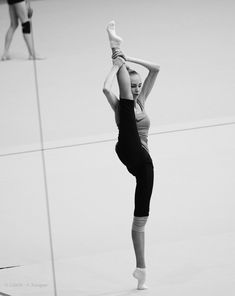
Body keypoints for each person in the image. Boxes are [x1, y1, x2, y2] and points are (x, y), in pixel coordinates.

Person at [103, 21, 160, 290]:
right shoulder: (124, 103)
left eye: (138, 85)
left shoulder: (141, 100)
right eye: (133, 84)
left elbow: (156, 68)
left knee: (140, 218)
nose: (137, 89)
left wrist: (127, 59)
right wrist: (117, 64)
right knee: (124, 105)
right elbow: (106, 89)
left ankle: (141, 270)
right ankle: (115, 45)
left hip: (142, 162)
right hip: (127, 146)